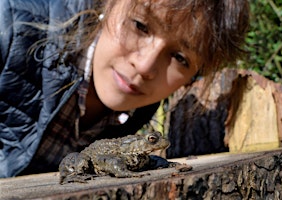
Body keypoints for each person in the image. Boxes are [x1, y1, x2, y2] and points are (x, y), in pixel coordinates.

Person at [0, 0, 249, 177]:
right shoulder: (8, 26)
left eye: (180, 58)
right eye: (141, 25)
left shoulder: (141, 104)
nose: (144, 66)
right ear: (107, 4)